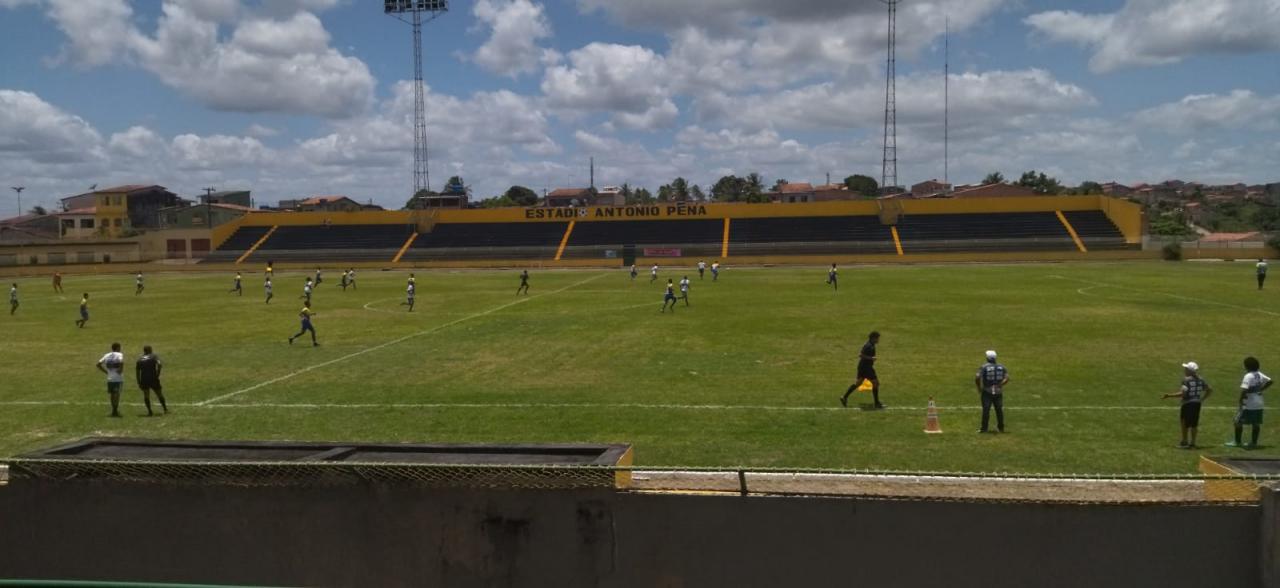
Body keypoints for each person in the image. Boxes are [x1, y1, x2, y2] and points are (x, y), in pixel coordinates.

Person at [1163, 361, 1211, 448]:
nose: (1184, 370)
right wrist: (1202, 399)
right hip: (1197, 403)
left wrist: (1169, 395)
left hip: (1187, 403)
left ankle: (1184, 441)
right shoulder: (1201, 379)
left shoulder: (1186, 380)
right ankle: (1193, 442)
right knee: (1194, 423)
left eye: (1186, 368)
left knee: (1184, 422)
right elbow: (1209, 389)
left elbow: (1183, 394)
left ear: (1189, 370)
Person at [1228, 356, 1272, 448]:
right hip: (1259, 402)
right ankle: (1254, 443)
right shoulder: (1259, 374)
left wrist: (1241, 400)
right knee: (1256, 423)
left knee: (1237, 422)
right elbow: (1270, 381)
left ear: (1247, 366)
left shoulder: (1248, 376)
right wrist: (1261, 389)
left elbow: (1244, 390)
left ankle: (1237, 442)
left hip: (1248, 403)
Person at [841, 331, 882, 409]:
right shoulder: (868, 346)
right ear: (873, 338)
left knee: (858, 383)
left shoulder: (871, 344)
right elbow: (860, 355)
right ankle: (877, 403)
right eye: (877, 338)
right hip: (866, 368)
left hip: (863, 367)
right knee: (876, 383)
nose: (878, 340)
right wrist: (871, 358)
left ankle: (844, 397)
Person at [975, 350, 1010, 433]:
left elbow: (977, 377)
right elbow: (1007, 378)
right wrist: (1000, 385)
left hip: (987, 391)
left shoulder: (984, 367)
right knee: (999, 410)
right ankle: (1001, 428)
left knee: (986, 410)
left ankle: (984, 428)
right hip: (998, 391)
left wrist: (979, 387)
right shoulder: (1001, 367)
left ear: (987, 358)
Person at [135, 345, 167, 416]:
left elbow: (137, 372)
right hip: (153, 378)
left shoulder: (139, 359)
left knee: (146, 395)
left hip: (144, 379)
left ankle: (150, 411)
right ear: (150, 350)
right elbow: (159, 364)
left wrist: (139, 382)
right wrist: (158, 374)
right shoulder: (154, 356)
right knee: (159, 394)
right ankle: (165, 409)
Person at [96, 342, 125, 418]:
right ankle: (115, 411)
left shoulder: (107, 355)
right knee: (117, 395)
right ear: (118, 348)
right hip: (118, 378)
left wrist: (106, 372)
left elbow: (98, 364)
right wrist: (120, 370)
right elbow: (121, 362)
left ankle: (113, 410)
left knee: (112, 395)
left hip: (110, 378)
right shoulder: (119, 354)